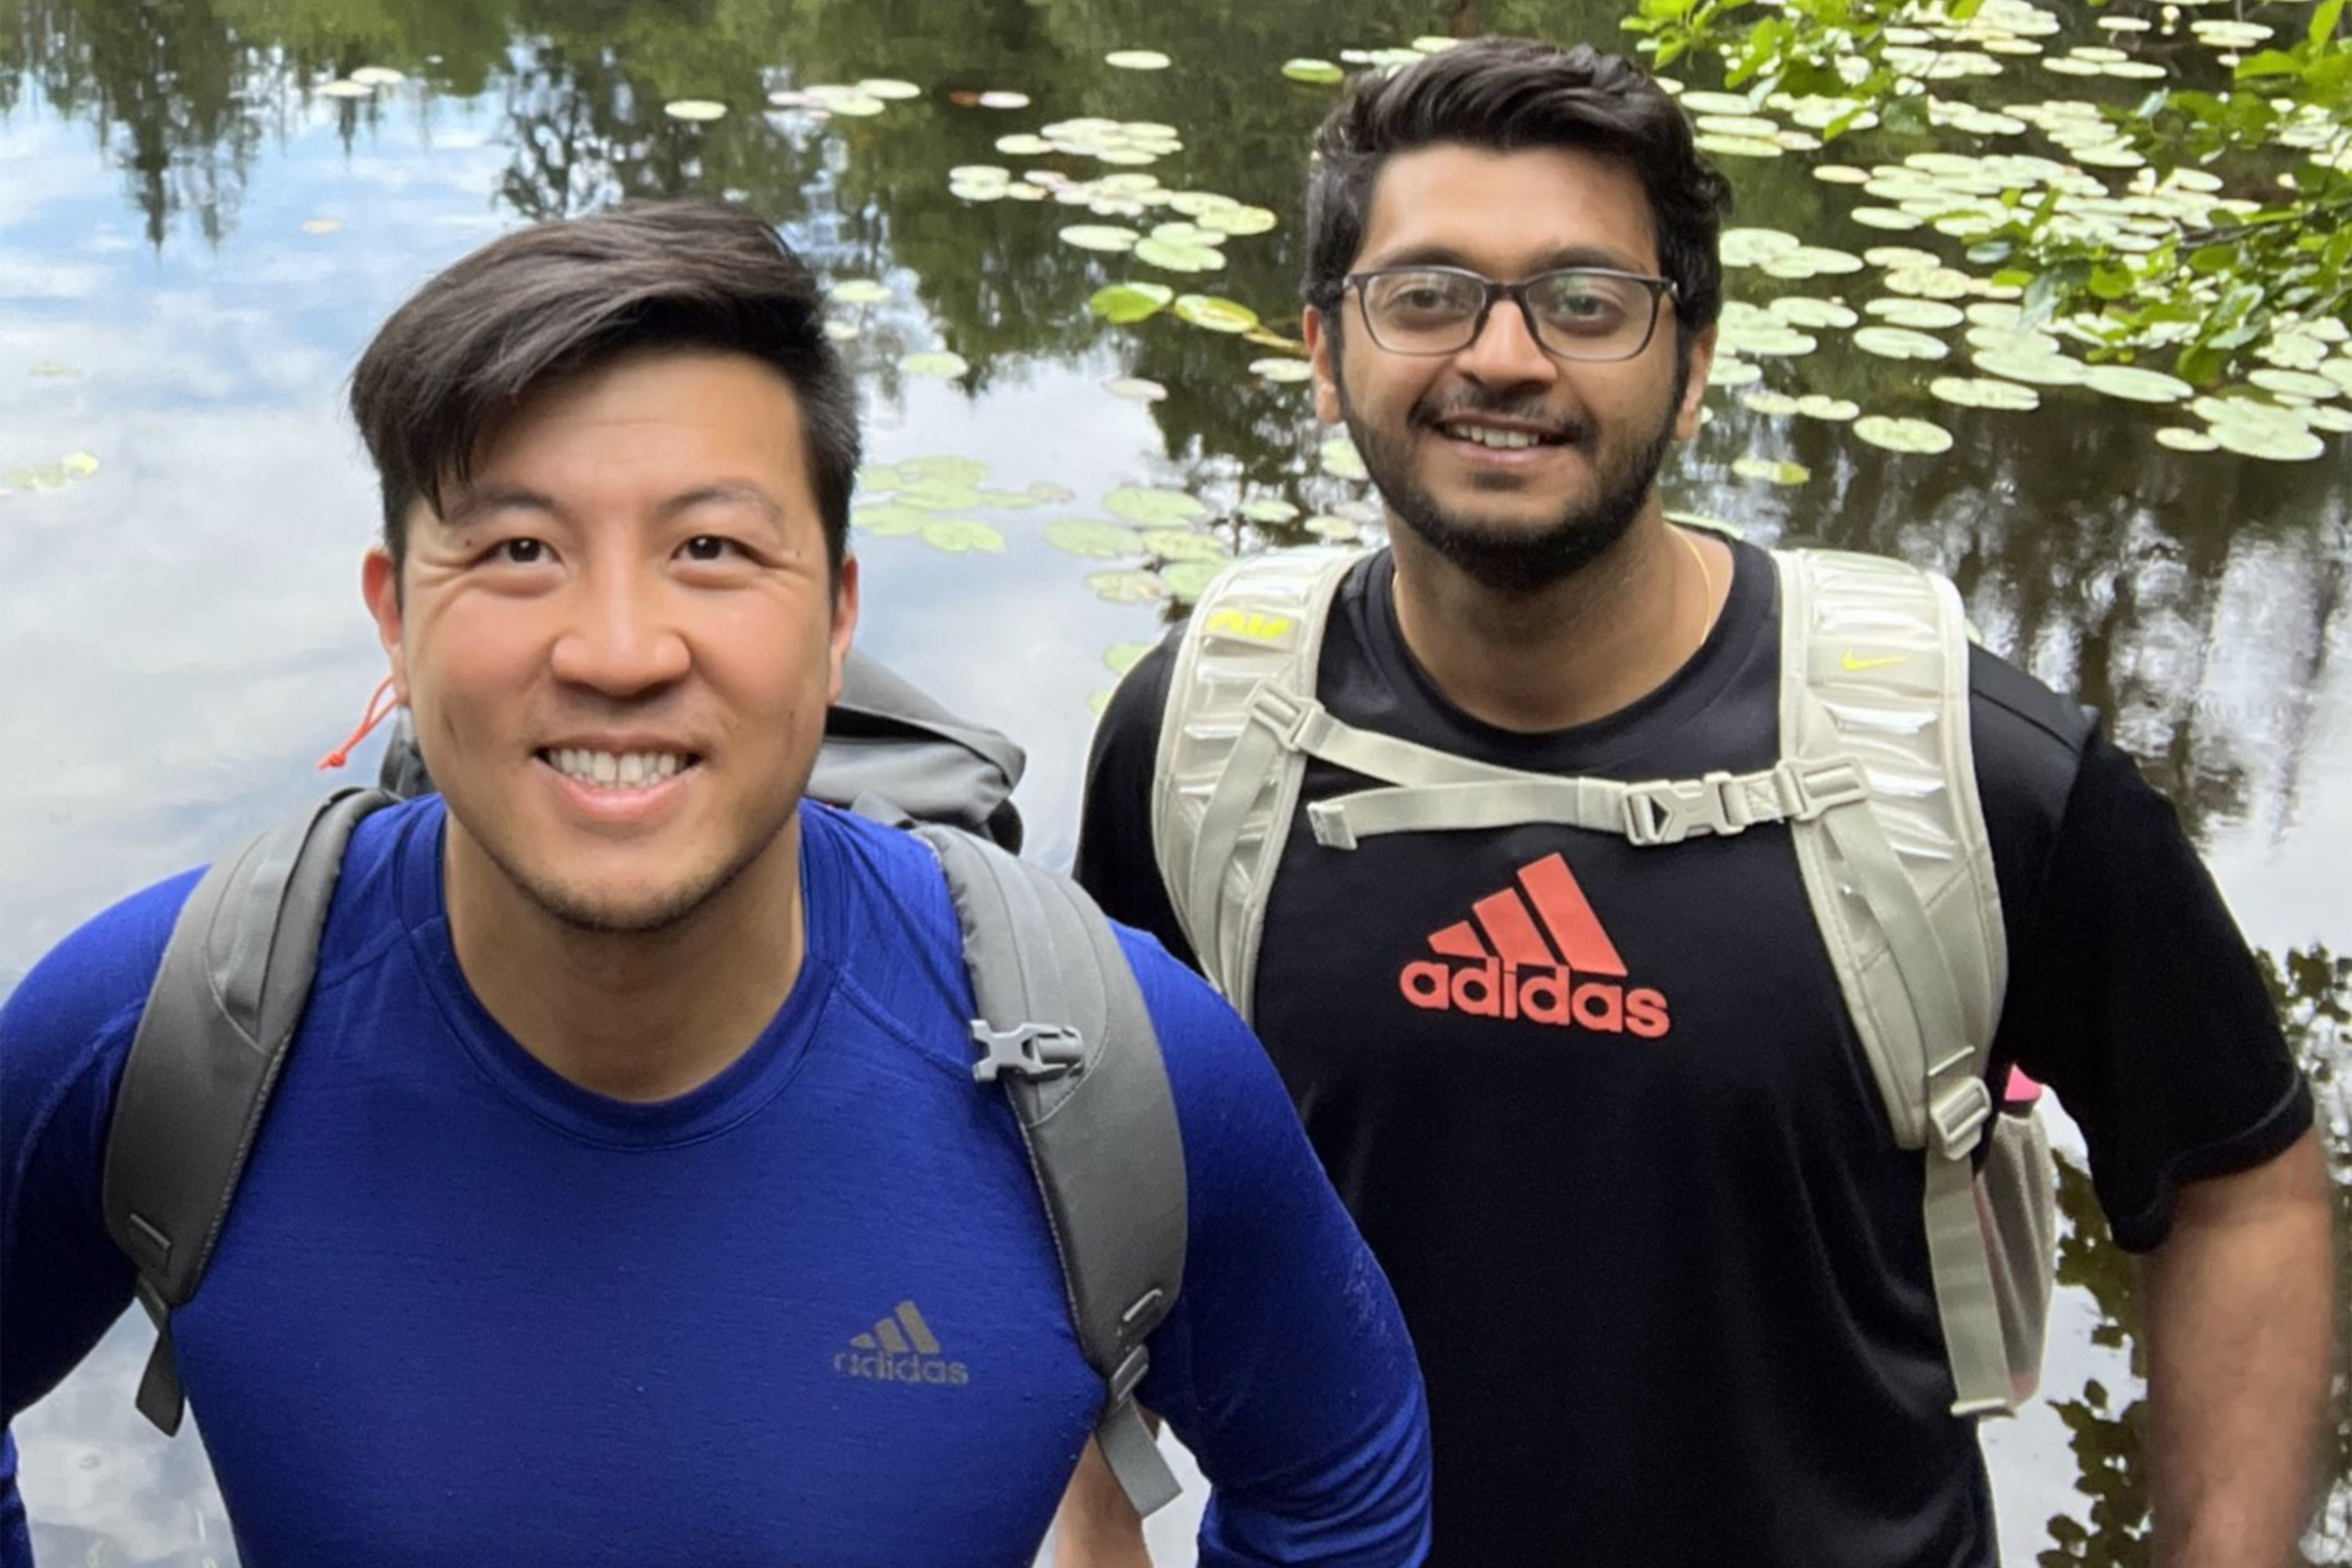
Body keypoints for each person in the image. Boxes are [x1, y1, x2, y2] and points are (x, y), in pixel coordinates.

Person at [0, 200, 1432, 1568]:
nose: (619, 649)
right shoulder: (165, 1034)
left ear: (835, 616)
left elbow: (1337, 1474)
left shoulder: (1120, 1073)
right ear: (394, 615)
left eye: (711, 549)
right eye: (516, 550)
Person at [1065, 37, 2335, 1568]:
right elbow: (1052, 1175)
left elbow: (2238, 1182)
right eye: (1428, 293)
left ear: (1694, 360)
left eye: (1587, 301)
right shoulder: (1204, 742)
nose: (1506, 356)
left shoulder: (1964, 770)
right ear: (1328, 353)